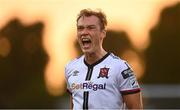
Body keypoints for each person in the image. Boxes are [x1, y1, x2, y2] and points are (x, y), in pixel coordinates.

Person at [65, 8, 143, 109]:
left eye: (90, 28)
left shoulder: (121, 68)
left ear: (103, 33)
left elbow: (136, 108)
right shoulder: (71, 67)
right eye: (80, 28)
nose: (84, 32)